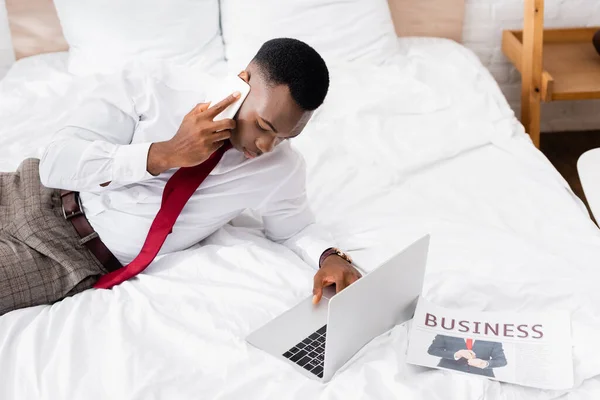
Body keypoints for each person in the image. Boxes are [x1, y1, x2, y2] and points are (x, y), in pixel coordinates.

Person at [0, 38, 362, 315]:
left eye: (284, 136)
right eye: (264, 126)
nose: (268, 145)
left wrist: (330, 256)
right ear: (243, 82)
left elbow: (295, 228)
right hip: (27, 189)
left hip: (65, 257)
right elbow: (56, 163)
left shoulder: (279, 168)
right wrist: (165, 153)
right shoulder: (152, 86)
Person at [427, 335, 507, 378]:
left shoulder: (492, 336)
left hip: (482, 378)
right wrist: (456, 354)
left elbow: (502, 361)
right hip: (448, 375)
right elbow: (433, 350)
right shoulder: (446, 331)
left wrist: (484, 363)